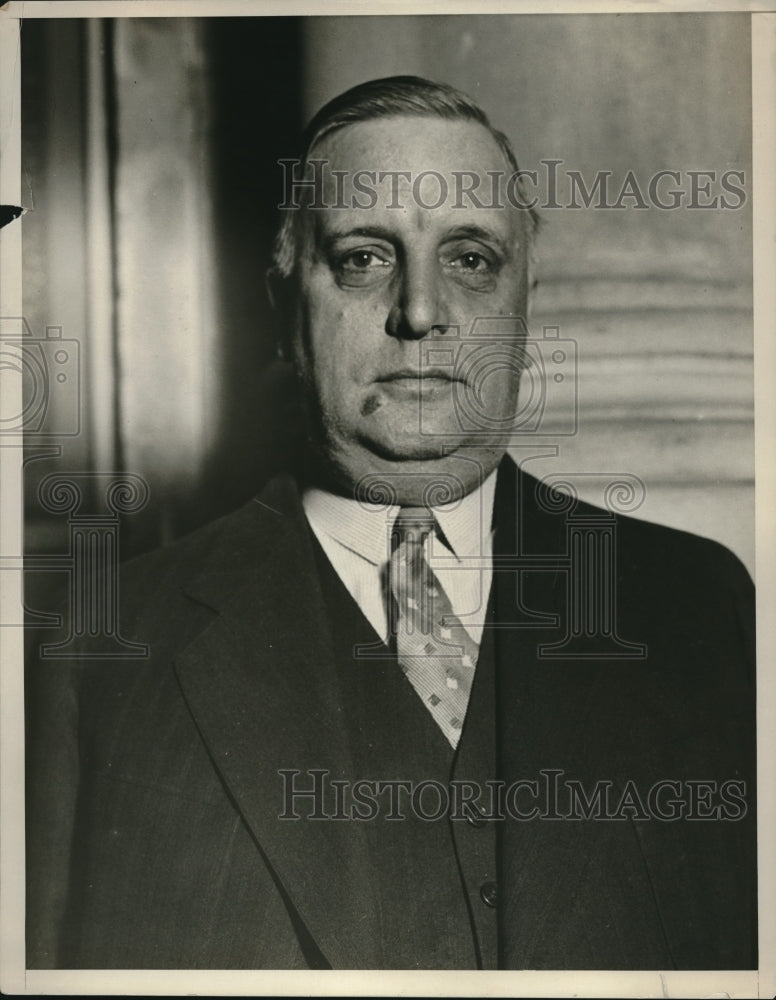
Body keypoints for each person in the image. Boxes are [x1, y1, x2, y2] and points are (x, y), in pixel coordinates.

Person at [26, 76, 756, 971]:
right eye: (365, 258)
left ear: (526, 301)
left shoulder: (699, 606)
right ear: (284, 311)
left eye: (470, 259)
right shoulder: (103, 650)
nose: (420, 313)